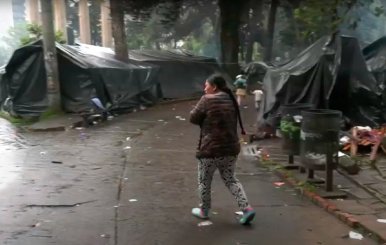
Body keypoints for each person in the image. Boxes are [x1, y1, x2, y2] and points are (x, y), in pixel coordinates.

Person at [189, 74, 256, 225]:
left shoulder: (206, 99)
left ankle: (204, 211)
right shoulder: (231, 99)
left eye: (206, 85)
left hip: (210, 151)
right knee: (231, 179)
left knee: (204, 181)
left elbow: (193, 118)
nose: (204, 88)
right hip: (231, 149)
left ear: (214, 87)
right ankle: (247, 209)